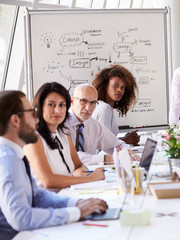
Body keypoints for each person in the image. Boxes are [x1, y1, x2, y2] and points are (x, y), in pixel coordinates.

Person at [0, 90, 108, 240]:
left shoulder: (15, 154)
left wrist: (77, 203)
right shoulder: (6, 159)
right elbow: (21, 218)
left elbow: (38, 197)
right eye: (32, 113)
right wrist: (76, 212)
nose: (36, 119)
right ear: (15, 120)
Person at [24, 82, 105, 191]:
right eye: (51, 104)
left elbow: (78, 166)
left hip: (69, 193)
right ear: (40, 106)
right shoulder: (33, 139)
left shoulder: (63, 134)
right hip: (48, 202)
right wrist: (90, 178)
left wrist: (81, 173)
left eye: (62, 105)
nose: (57, 110)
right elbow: (48, 181)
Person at [66, 83, 133, 165]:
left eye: (93, 103)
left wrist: (126, 151)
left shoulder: (92, 125)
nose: (88, 108)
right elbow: (69, 157)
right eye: (83, 101)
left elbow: (117, 144)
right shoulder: (60, 123)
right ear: (72, 101)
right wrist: (108, 158)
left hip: (88, 174)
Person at [92, 64, 140, 145]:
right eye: (116, 85)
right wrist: (126, 140)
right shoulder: (104, 108)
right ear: (105, 86)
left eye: (123, 87)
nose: (119, 90)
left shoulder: (104, 106)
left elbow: (105, 140)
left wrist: (125, 139)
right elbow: (104, 145)